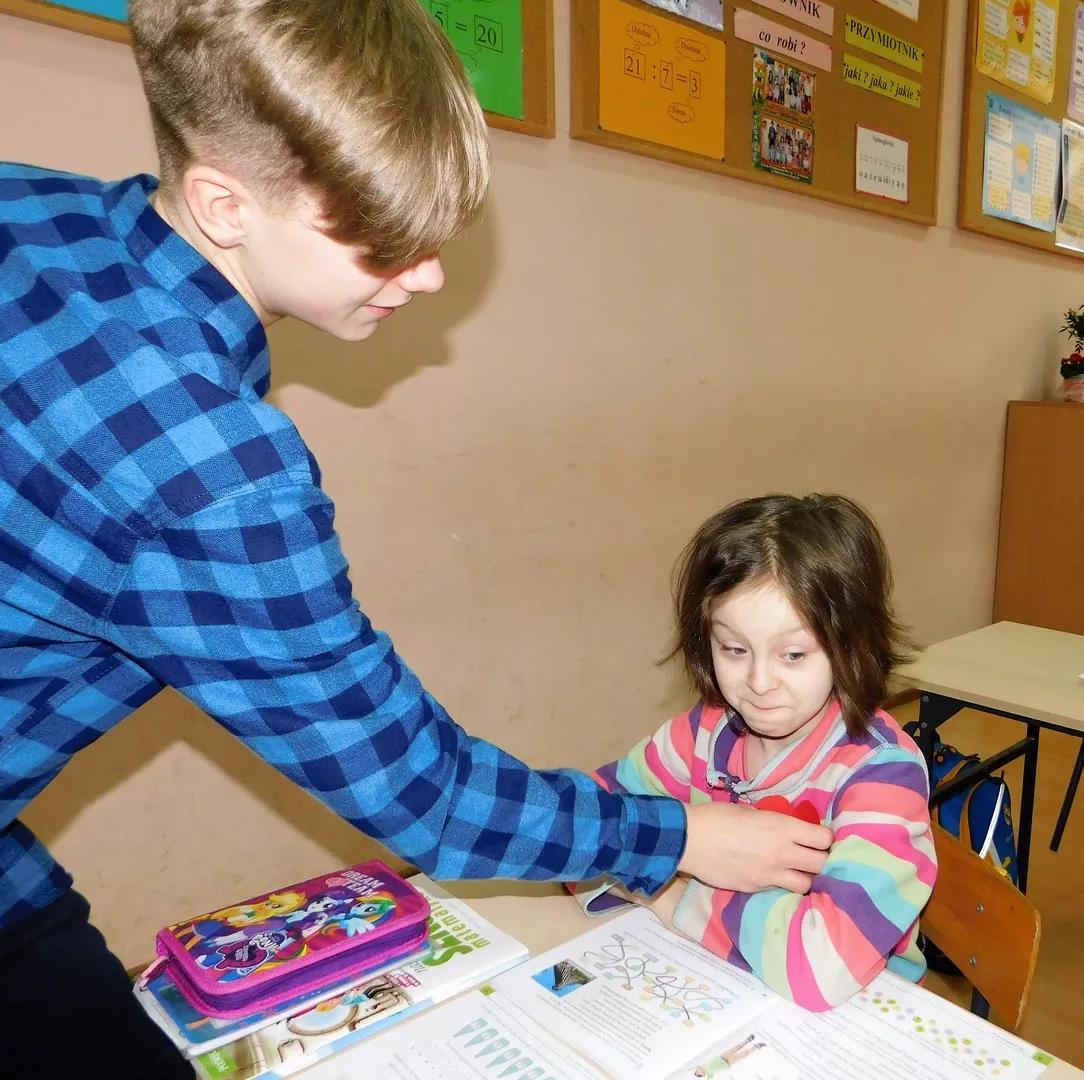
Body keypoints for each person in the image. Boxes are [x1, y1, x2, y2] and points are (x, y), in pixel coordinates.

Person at [0, 2, 831, 1077]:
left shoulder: (31, 209)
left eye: (435, 235)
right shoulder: (211, 472)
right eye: (386, 241)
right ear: (223, 204)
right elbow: (424, 794)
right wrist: (682, 836)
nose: (430, 275)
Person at [575, 494, 936, 1011]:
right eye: (734, 649)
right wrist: (662, 860)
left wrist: (667, 891)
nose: (760, 682)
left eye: (794, 654)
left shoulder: (882, 775)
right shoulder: (703, 734)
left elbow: (819, 969)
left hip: (862, 1020)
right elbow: (586, 827)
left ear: (852, 643)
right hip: (721, 986)